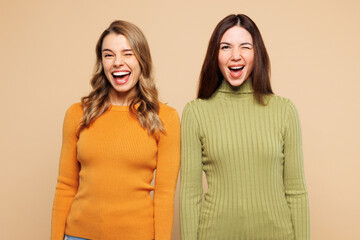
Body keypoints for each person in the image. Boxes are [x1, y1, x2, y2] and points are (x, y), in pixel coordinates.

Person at [180, 14, 309, 240]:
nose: (235, 56)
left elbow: (296, 192)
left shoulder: (285, 111)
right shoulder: (195, 112)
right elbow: (190, 196)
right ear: (215, 55)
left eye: (245, 47)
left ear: (256, 53)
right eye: (226, 47)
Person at [51, 20, 180, 240]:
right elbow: (65, 186)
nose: (118, 62)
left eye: (127, 54)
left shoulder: (165, 117)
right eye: (109, 55)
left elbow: (165, 195)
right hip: (78, 236)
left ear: (142, 60)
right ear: (102, 62)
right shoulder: (77, 114)